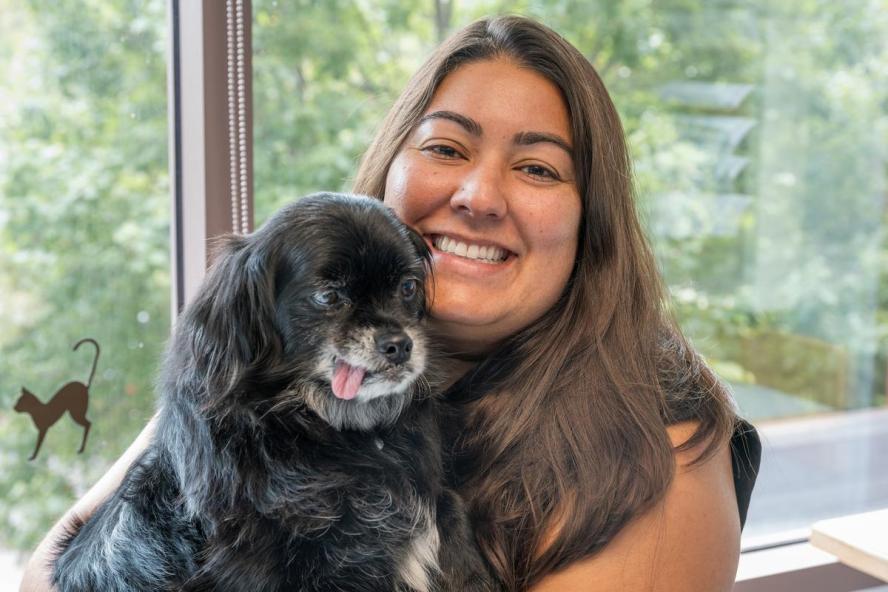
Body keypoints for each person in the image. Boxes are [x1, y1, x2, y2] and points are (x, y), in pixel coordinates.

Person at [22, 15, 760, 592]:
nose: (476, 196)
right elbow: (52, 572)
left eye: (537, 168)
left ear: (590, 220)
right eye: (446, 149)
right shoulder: (265, 362)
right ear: (390, 168)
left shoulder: (656, 453)